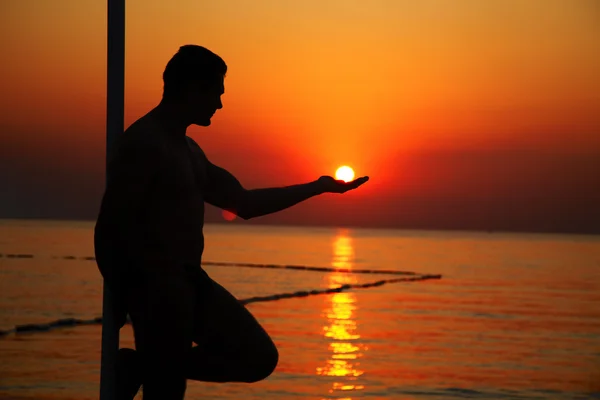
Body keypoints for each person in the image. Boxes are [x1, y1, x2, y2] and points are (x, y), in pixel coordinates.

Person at [94, 44, 369, 400]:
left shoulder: (190, 151)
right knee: (167, 392)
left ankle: (142, 367)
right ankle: (151, 367)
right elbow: (111, 227)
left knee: (257, 357)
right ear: (193, 87)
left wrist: (317, 187)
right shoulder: (145, 144)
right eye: (216, 93)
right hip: (156, 286)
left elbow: (245, 202)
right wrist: (121, 295)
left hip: (192, 281)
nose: (220, 104)